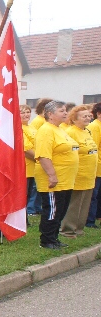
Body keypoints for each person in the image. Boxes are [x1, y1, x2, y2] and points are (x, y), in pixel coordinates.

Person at [34, 101, 79, 249]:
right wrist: (52, 175)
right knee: (52, 211)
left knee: (61, 210)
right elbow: (43, 156)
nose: (65, 113)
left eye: (65, 110)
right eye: (61, 111)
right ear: (50, 114)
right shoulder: (46, 130)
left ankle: (54, 238)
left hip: (66, 180)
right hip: (53, 180)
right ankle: (47, 240)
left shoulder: (59, 129)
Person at [60, 105, 98, 237]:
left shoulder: (87, 131)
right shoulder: (71, 132)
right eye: (84, 116)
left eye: (88, 116)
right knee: (75, 203)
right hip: (78, 174)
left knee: (85, 203)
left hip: (89, 174)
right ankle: (68, 230)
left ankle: (79, 229)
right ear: (74, 119)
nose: (87, 118)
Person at [84, 103, 101, 228]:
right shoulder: (95, 126)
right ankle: (90, 220)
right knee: (93, 195)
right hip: (96, 166)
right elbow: (93, 147)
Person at [21, 105, 37, 224]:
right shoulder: (18, 128)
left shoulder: (31, 127)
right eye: (23, 113)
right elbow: (25, 149)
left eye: (28, 112)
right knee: (23, 195)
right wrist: (41, 159)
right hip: (24, 167)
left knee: (29, 194)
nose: (26, 115)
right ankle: (22, 220)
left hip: (33, 168)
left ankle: (25, 219)